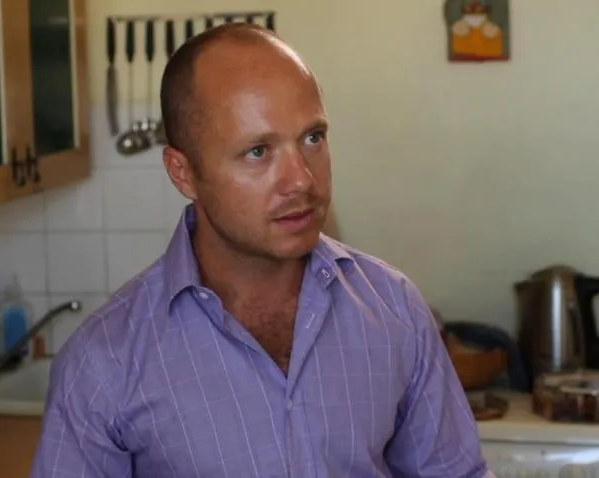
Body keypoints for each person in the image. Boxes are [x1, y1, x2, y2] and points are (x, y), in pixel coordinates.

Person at [31, 23, 494, 478]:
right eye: (258, 151)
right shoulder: (104, 363)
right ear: (183, 173)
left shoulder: (394, 307)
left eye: (313, 138)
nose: (301, 180)